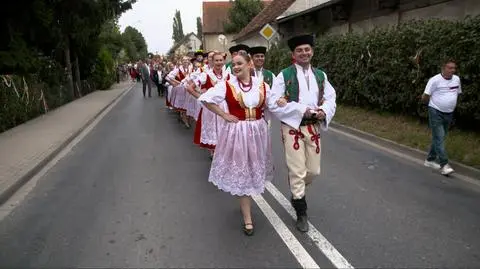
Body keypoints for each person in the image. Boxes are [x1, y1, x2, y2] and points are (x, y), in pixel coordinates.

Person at [196, 51, 277, 236]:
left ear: (249, 64)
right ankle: (247, 217)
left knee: (253, 170)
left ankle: (246, 205)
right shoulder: (227, 85)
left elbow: (273, 106)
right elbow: (205, 99)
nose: (236, 67)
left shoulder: (262, 85)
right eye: (234, 64)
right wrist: (224, 115)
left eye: (240, 63)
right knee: (243, 174)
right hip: (237, 133)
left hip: (257, 134)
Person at [271, 34, 337, 232]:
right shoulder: (284, 75)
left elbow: (331, 97)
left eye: (307, 49)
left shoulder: (320, 75)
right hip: (292, 128)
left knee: (314, 170)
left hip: (313, 127)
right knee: (297, 171)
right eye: (299, 50)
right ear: (293, 54)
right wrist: (301, 110)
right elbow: (274, 101)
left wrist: (323, 110)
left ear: (312, 51)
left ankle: (296, 188)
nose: (304, 53)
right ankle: (301, 211)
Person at [422, 59, 461, 175]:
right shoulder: (434, 80)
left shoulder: (456, 79)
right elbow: (425, 96)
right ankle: (444, 164)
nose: (452, 70)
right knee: (439, 137)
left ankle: (429, 160)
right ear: (443, 68)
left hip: (449, 112)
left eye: (454, 68)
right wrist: (433, 105)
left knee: (440, 137)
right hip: (435, 111)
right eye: (450, 68)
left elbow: (456, 93)